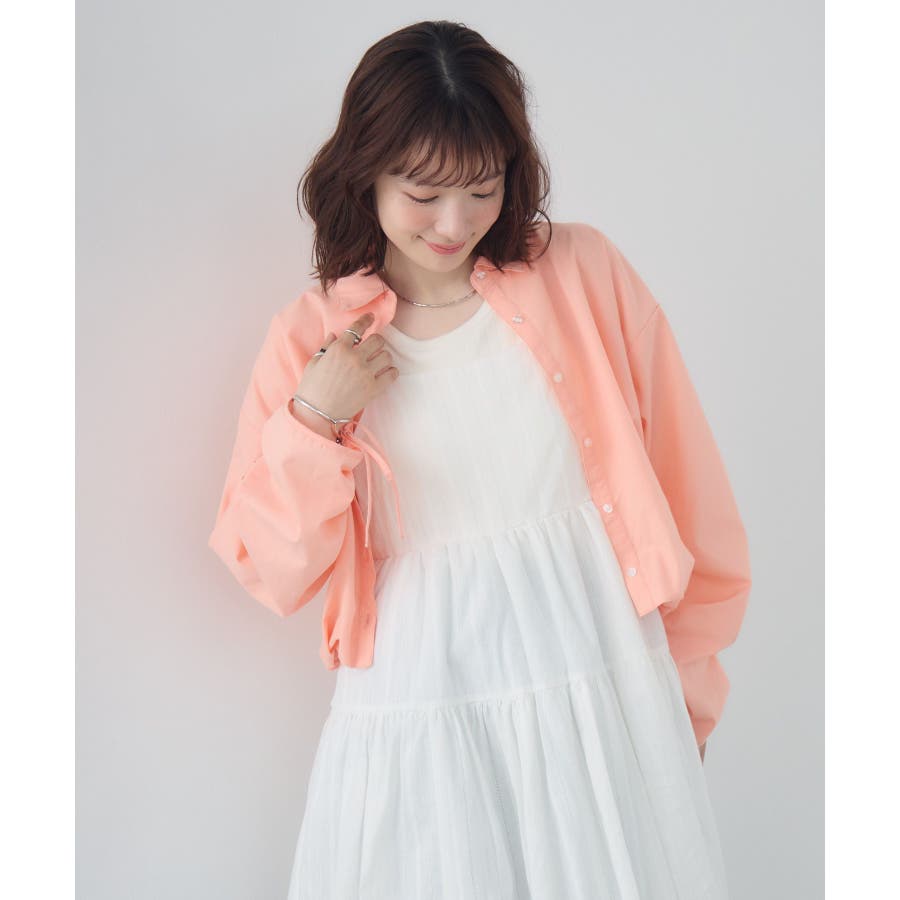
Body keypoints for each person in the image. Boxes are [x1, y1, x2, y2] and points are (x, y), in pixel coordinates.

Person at [207, 19, 752, 900]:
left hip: (602, 690)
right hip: (421, 715)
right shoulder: (312, 339)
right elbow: (269, 567)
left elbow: (694, 501)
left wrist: (685, 694)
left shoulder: (584, 276)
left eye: (482, 189)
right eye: (423, 194)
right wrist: (314, 418)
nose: (454, 224)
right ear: (365, 174)